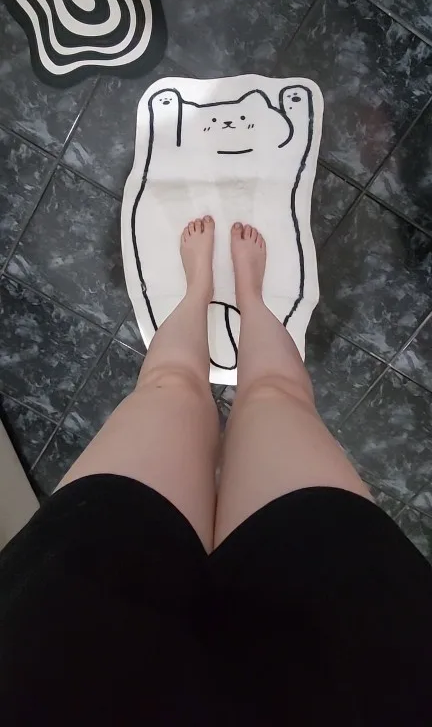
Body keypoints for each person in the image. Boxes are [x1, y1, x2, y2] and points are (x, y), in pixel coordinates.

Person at [0, 218, 431, 726]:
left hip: (72, 655)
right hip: (342, 660)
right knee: (273, 394)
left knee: (171, 385)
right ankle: (248, 296)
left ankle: (201, 290)